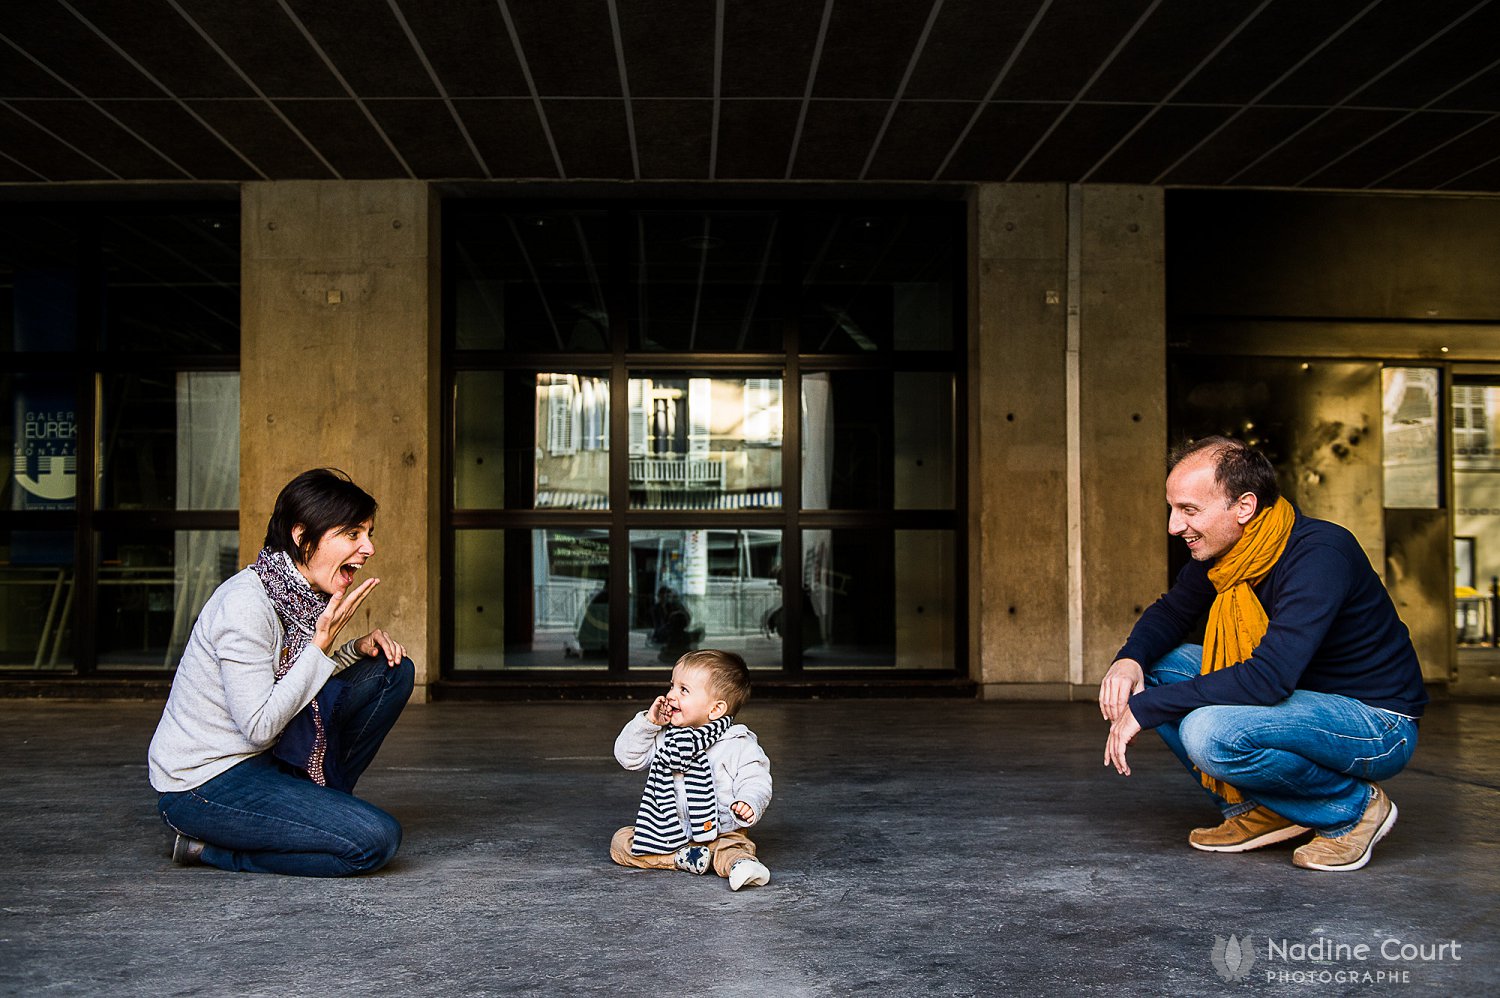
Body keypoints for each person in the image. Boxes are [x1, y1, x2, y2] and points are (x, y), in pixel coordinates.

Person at [1099, 437, 1427, 872]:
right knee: (1155, 667)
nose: (1174, 526)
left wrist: (1145, 709)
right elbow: (1172, 612)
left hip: (1375, 722)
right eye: (1173, 509)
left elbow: (1269, 677)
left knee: (1210, 732)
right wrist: (1129, 660)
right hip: (1302, 700)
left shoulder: (1319, 554)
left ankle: (1352, 810)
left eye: (1189, 510)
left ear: (1244, 507)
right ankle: (1264, 810)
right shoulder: (1229, 555)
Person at [148, 468, 415, 876]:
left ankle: (320, 808)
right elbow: (258, 725)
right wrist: (322, 646)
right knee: (374, 841)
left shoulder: (301, 596)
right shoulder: (247, 605)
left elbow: (293, 673)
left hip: (264, 758)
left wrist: (352, 651)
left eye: (369, 534)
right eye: (352, 534)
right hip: (204, 783)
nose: (369, 548)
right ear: (300, 534)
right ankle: (206, 850)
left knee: (390, 672)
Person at [610, 649, 773, 890]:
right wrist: (649, 724)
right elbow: (627, 757)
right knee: (620, 842)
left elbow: (756, 780)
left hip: (720, 831)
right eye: (672, 686)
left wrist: (749, 803)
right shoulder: (664, 737)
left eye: (683, 690)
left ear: (715, 709)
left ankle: (740, 865)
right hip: (668, 832)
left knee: (735, 847)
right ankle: (680, 859)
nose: (671, 695)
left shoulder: (738, 743)